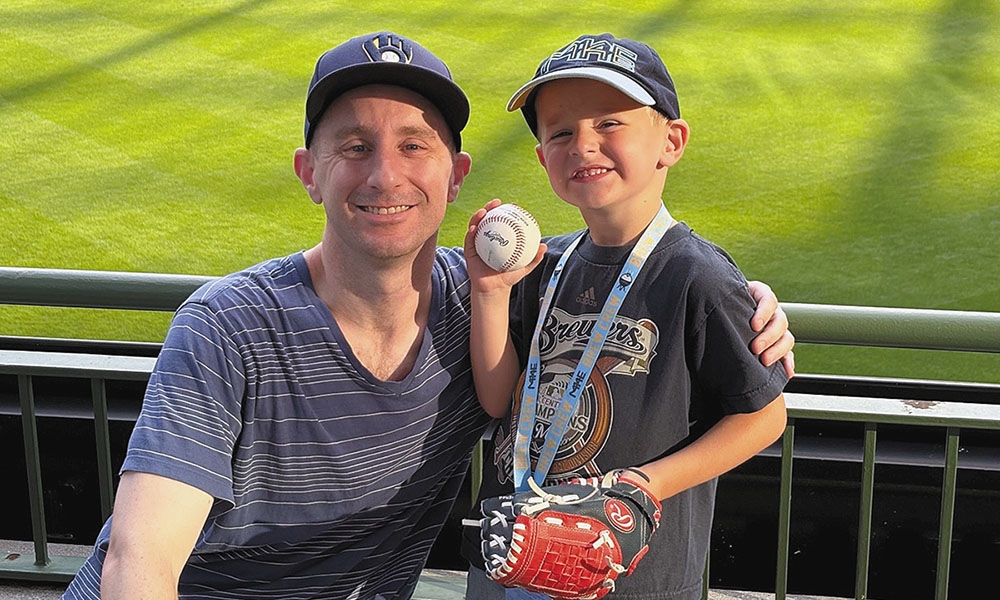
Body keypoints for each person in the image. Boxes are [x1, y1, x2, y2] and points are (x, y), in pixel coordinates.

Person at [61, 31, 792, 600]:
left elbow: (652, 279)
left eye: (415, 145)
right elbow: (140, 560)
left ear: (456, 176)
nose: (385, 175)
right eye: (354, 147)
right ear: (308, 172)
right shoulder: (229, 327)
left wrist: (741, 295)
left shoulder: (498, 292)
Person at [462, 33, 791, 600]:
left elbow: (763, 417)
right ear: (543, 157)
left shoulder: (697, 276)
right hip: (513, 561)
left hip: (634, 577)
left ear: (672, 141)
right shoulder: (544, 266)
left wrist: (643, 487)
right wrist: (490, 292)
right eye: (560, 132)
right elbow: (499, 401)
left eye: (610, 123)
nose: (583, 144)